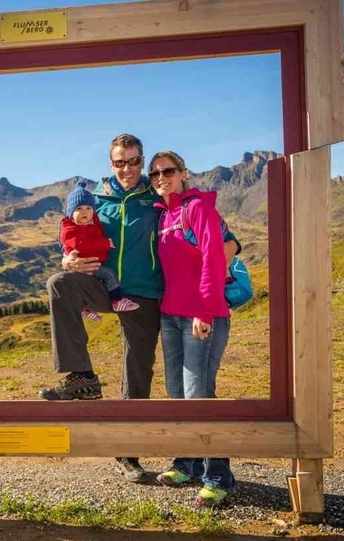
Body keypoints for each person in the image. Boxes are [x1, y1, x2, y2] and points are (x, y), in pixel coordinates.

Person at [38, 133, 240, 485]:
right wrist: (67, 257)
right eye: (120, 162)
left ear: (142, 161)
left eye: (134, 161)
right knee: (59, 284)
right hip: (103, 286)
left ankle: (127, 452)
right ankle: (82, 377)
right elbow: (71, 230)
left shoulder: (157, 194)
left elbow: (228, 241)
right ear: (111, 163)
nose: (128, 168)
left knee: (139, 369)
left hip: (147, 295)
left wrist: (205, 296)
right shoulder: (96, 198)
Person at [149, 150, 235, 507]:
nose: (160, 178)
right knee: (177, 394)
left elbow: (214, 257)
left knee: (198, 395)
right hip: (170, 316)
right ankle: (185, 463)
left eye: (167, 171)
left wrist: (204, 310)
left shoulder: (197, 207)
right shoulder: (164, 214)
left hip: (201, 316)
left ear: (184, 173)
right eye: (154, 174)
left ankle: (219, 476)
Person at [60, 179, 139, 321]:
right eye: (79, 209)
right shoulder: (69, 229)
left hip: (93, 263)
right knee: (109, 275)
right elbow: (81, 245)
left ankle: (85, 308)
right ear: (71, 213)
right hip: (85, 264)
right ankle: (117, 301)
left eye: (88, 208)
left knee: (92, 285)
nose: (85, 212)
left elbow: (95, 220)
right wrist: (105, 244)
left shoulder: (90, 223)